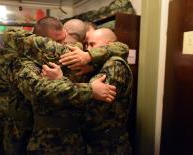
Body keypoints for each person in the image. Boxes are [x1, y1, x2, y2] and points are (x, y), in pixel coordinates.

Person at [6, 18, 117, 154]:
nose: (62, 46)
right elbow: (40, 91)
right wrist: (90, 90)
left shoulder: (74, 55)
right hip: (30, 136)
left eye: (63, 40)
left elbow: (120, 47)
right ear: (41, 42)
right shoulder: (23, 62)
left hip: (74, 139)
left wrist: (90, 58)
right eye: (57, 43)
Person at [84, 28, 133, 154]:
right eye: (87, 44)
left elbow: (95, 106)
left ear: (109, 45)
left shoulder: (114, 64)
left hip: (109, 146)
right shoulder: (100, 64)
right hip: (100, 142)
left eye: (92, 44)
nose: (88, 49)